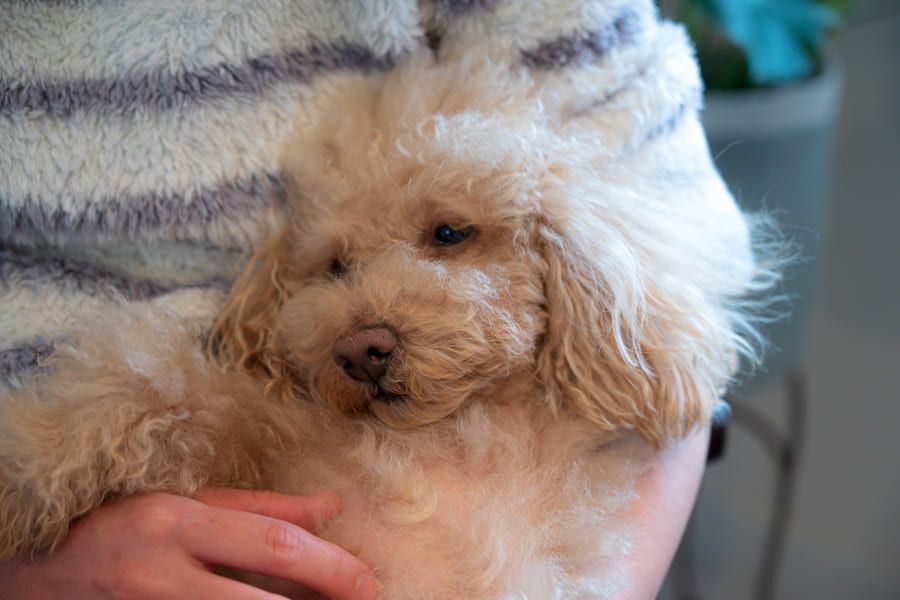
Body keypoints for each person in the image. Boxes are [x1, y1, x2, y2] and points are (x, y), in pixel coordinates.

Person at [1, 1, 727, 597]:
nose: (364, 326)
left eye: (448, 235)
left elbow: (679, 348)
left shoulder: (601, 258)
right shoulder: (251, 392)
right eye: (337, 264)